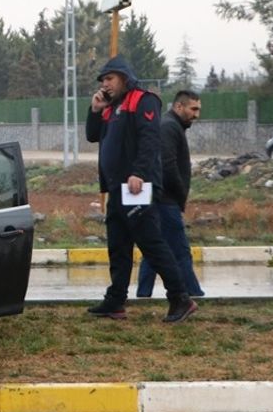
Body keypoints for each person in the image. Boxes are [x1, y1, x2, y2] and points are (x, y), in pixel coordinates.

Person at [85, 56, 198, 323]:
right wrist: (95, 110)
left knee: (151, 243)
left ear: (124, 77)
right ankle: (115, 301)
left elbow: (150, 140)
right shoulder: (111, 107)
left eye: (109, 78)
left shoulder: (143, 100)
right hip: (116, 188)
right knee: (118, 244)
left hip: (137, 186)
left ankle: (181, 298)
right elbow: (92, 136)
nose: (105, 84)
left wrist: (139, 173)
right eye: (103, 80)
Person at [137, 90, 205, 298]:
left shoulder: (172, 126)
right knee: (180, 250)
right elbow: (167, 165)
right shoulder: (169, 127)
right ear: (178, 107)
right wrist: (180, 192)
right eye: (193, 109)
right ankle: (193, 293)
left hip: (163, 200)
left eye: (198, 110)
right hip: (166, 201)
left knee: (155, 250)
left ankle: (143, 295)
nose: (196, 114)